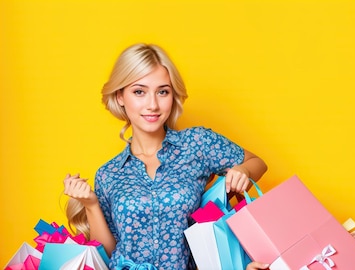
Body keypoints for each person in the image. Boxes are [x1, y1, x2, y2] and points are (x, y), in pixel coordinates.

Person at [63, 43, 269, 270]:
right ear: (120, 96)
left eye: (162, 92)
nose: (152, 105)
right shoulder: (109, 173)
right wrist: (90, 205)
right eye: (139, 91)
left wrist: (244, 171)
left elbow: (257, 163)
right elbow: (109, 252)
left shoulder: (196, 144)